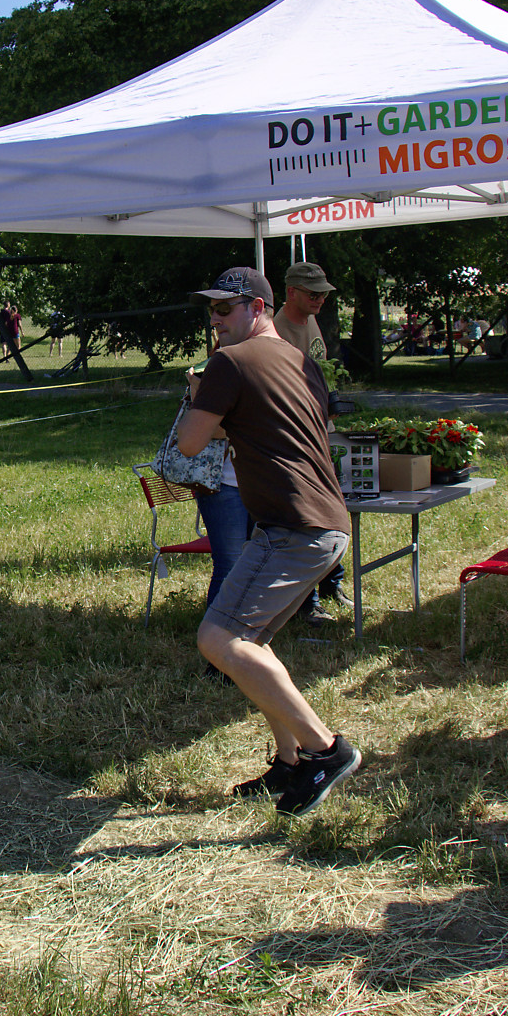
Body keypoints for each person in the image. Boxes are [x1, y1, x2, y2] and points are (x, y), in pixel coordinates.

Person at [177, 267, 361, 818]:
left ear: (257, 307)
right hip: (323, 525)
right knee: (252, 641)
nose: (215, 319)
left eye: (225, 308)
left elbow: (190, 443)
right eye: (211, 309)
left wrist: (199, 394)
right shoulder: (300, 361)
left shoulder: (229, 363)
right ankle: (288, 762)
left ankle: (326, 751)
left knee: (220, 639)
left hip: (293, 528)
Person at [274, 262, 349, 622]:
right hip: (297, 438)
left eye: (324, 294)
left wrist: (331, 402)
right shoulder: (277, 330)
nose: (320, 299)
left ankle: (332, 583)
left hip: (320, 431)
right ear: (291, 292)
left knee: (333, 509)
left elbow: (320, 369)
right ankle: (306, 602)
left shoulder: (310, 320)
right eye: (313, 293)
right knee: (308, 519)